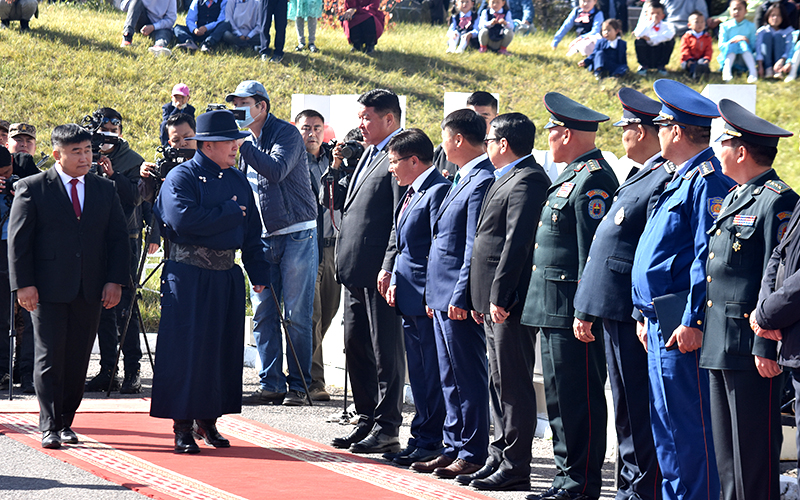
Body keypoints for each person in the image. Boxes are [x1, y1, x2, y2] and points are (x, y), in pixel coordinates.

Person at [631, 79, 736, 500]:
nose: (656, 132)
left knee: (689, 430)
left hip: (680, 326)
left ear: (675, 130)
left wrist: (693, 320)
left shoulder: (707, 181)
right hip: (657, 322)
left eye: (661, 125)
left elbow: (703, 259)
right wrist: (642, 313)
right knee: (666, 427)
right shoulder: (678, 177)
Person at [150, 110, 270, 454]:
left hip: (225, 275)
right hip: (187, 276)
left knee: (221, 351)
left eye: (236, 140)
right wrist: (229, 214)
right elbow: (183, 221)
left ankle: (209, 420)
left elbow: (252, 233)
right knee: (186, 351)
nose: (235, 147)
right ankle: (182, 425)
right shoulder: (181, 177)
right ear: (207, 145)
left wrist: (259, 272)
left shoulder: (237, 181)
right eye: (228, 141)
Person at [572, 88, 671, 500]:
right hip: (612, 305)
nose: (623, 135)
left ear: (644, 131)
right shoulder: (639, 172)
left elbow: (649, 249)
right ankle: (629, 486)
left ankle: (640, 488)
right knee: (626, 408)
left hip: (630, 308)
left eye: (627, 128)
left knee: (637, 408)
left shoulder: (662, 175)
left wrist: (640, 309)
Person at [521, 93, 618, 500]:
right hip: (551, 304)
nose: (550, 141)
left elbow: (591, 251)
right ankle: (565, 478)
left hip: (572, 309)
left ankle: (582, 483)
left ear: (568, 134)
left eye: (553, 133)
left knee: (580, 398)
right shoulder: (572, 174)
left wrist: (585, 309)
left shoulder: (594, 177)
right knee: (560, 398)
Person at [9, 124, 130, 449]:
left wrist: (114, 280)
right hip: (46, 289)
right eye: (76, 151)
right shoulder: (34, 187)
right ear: (56, 154)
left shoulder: (104, 189)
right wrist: (24, 285)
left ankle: (66, 421)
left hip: (90, 288)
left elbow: (118, 239)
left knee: (77, 358)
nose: (85, 157)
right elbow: (19, 243)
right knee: (49, 356)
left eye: (88, 150)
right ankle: (49, 425)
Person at [702, 99, 796, 500]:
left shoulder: (777, 200)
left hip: (750, 342)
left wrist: (764, 344)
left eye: (722, 142)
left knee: (753, 454)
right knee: (727, 453)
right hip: (720, 338)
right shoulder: (739, 196)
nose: (717, 149)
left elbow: (773, 275)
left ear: (740, 150)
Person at [461, 113, 549, 492]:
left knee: (513, 382)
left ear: (503, 144)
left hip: (509, 300)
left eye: (490, 140)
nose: (486, 146)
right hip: (492, 298)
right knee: (498, 381)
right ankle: (499, 453)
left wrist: (500, 294)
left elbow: (517, 243)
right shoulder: (507, 176)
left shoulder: (528, 179)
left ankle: (516, 464)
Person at [410, 109, 494, 479]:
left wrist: (460, 295)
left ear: (458, 139)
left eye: (445, 137)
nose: (442, 144)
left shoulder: (481, 181)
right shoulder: (462, 177)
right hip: (440, 294)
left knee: (466, 374)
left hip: (457, 295)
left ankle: (473, 449)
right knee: (449, 375)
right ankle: (453, 444)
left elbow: (472, 246)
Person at [229, 81, 317, 408]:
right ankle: (271, 385)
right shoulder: (243, 142)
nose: (238, 111)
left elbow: (277, 170)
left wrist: (243, 146)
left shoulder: (287, 133)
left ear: (262, 106)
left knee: (295, 315)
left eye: (244, 104)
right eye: (234, 105)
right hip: (262, 239)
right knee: (263, 313)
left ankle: (299, 386)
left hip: (297, 234)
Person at [328, 89, 404, 454]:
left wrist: (388, 264)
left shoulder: (398, 156)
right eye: (360, 117)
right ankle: (366, 418)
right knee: (355, 346)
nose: (360, 125)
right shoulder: (367, 153)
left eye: (367, 118)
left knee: (384, 351)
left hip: (378, 274)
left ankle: (388, 425)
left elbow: (396, 219)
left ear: (389, 119)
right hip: (354, 273)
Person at [382, 129, 450, 467]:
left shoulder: (437, 191)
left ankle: (431, 439)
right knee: (420, 374)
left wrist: (429, 292)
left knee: (430, 374)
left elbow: (439, 249)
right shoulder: (411, 191)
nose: (391, 168)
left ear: (413, 160)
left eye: (395, 162)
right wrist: (394, 274)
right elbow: (403, 243)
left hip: (426, 298)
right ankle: (420, 436)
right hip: (408, 294)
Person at [82, 108, 145, 395]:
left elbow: (137, 197)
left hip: (126, 239)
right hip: (94, 240)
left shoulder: (132, 161)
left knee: (125, 308)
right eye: (101, 131)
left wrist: (113, 175)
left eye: (111, 130)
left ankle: (133, 369)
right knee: (101, 308)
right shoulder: (84, 156)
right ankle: (108, 370)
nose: (106, 137)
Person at [294, 109, 342, 402]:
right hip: (306, 245)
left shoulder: (332, 160)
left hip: (334, 245)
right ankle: (313, 380)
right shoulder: (292, 161)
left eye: (316, 128)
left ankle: (301, 365)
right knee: (310, 315)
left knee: (328, 312)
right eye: (305, 128)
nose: (311, 134)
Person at [433, 91, 498, 181]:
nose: (475, 122)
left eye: (484, 118)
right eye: (471, 116)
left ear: (496, 118)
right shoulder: (444, 149)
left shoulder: (500, 150)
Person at [718, 0, 758, 82]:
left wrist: (746, 41)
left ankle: (753, 72)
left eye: (739, 9)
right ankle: (727, 71)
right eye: (734, 9)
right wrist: (733, 40)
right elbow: (721, 46)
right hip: (728, 57)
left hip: (744, 59)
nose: (736, 12)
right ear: (730, 10)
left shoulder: (751, 26)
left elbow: (754, 46)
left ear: (745, 11)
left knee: (742, 42)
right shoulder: (724, 26)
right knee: (734, 43)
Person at [634, 1, 676, 76]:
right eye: (652, 13)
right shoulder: (643, 25)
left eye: (658, 13)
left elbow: (669, 35)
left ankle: (661, 66)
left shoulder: (667, 25)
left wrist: (650, 39)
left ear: (663, 15)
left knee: (670, 42)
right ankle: (644, 66)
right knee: (639, 41)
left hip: (660, 50)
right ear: (647, 14)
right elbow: (638, 33)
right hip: (647, 50)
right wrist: (652, 23)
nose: (655, 16)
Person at [756, 2, 793, 77]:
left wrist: (782, 60)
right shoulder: (762, 31)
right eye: (772, 15)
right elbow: (758, 48)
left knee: (778, 37)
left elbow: (789, 48)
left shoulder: (788, 31)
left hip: (781, 61)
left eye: (778, 15)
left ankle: (778, 71)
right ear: (767, 16)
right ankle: (768, 69)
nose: (775, 18)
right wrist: (760, 66)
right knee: (767, 36)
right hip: (765, 61)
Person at [680, 11, 713, 79]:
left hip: (701, 59)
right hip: (688, 60)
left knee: (702, 63)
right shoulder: (687, 36)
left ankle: (704, 73)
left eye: (702, 22)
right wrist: (688, 59)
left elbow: (709, 50)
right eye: (696, 22)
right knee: (693, 65)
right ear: (689, 25)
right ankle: (695, 75)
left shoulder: (707, 37)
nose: (700, 24)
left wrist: (707, 58)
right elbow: (684, 49)